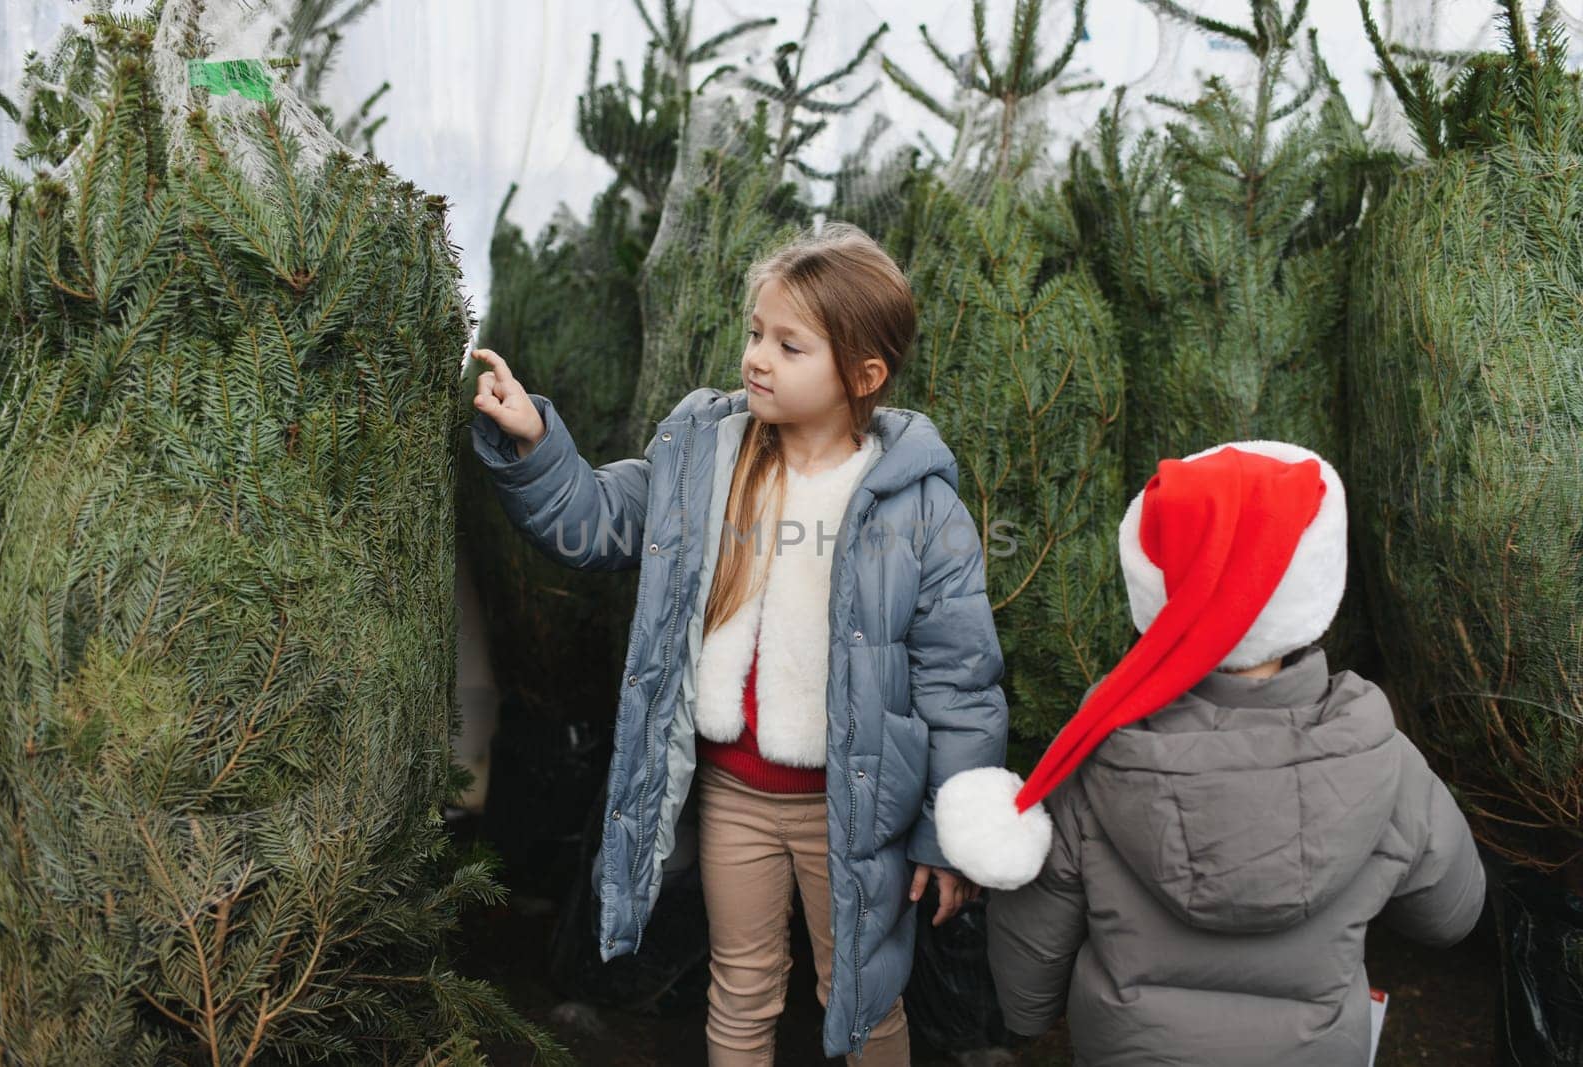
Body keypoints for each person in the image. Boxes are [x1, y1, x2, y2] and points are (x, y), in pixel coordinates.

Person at [468, 221, 1008, 1064]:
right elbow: (604, 520)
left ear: (863, 374)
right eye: (756, 333)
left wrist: (947, 833)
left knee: (861, 995)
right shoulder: (706, 457)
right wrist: (536, 446)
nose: (757, 356)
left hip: (860, 809)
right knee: (741, 986)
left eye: (790, 345)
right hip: (736, 799)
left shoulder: (917, 505)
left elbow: (961, 680)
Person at [934, 441, 1487, 1066]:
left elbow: (1031, 959)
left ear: (1156, 587)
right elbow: (1454, 915)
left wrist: (1029, 1016)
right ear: (1313, 585)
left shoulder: (1100, 753)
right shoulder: (1381, 754)